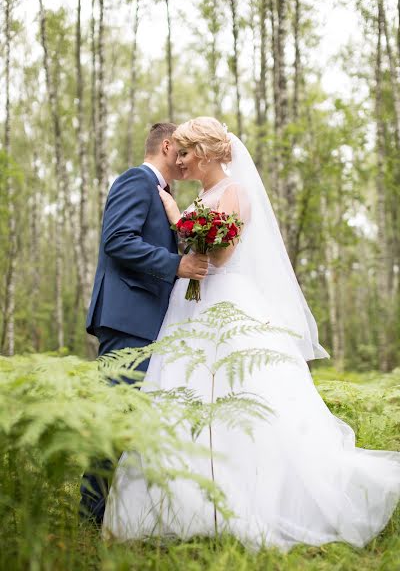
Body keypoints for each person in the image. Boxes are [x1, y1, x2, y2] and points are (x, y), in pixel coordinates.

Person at [103, 117, 400, 550]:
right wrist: (181, 219)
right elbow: (191, 247)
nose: (181, 160)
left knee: (242, 400)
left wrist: (179, 221)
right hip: (190, 305)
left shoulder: (235, 193)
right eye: (177, 152)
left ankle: (251, 505)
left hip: (228, 303)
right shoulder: (203, 196)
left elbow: (220, 257)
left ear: (204, 153)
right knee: (181, 394)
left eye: (186, 153)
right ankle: (184, 506)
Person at [80, 122, 209, 526]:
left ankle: (122, 514)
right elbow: (117, 239)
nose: (186, 160)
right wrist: (178, 264)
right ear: (167, 146)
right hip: (127, 318)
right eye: (183, 150)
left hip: (147, 322)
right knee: (116, 418)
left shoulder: (164, 194)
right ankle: (89, 516)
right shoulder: (136, 180)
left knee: (133, 420)